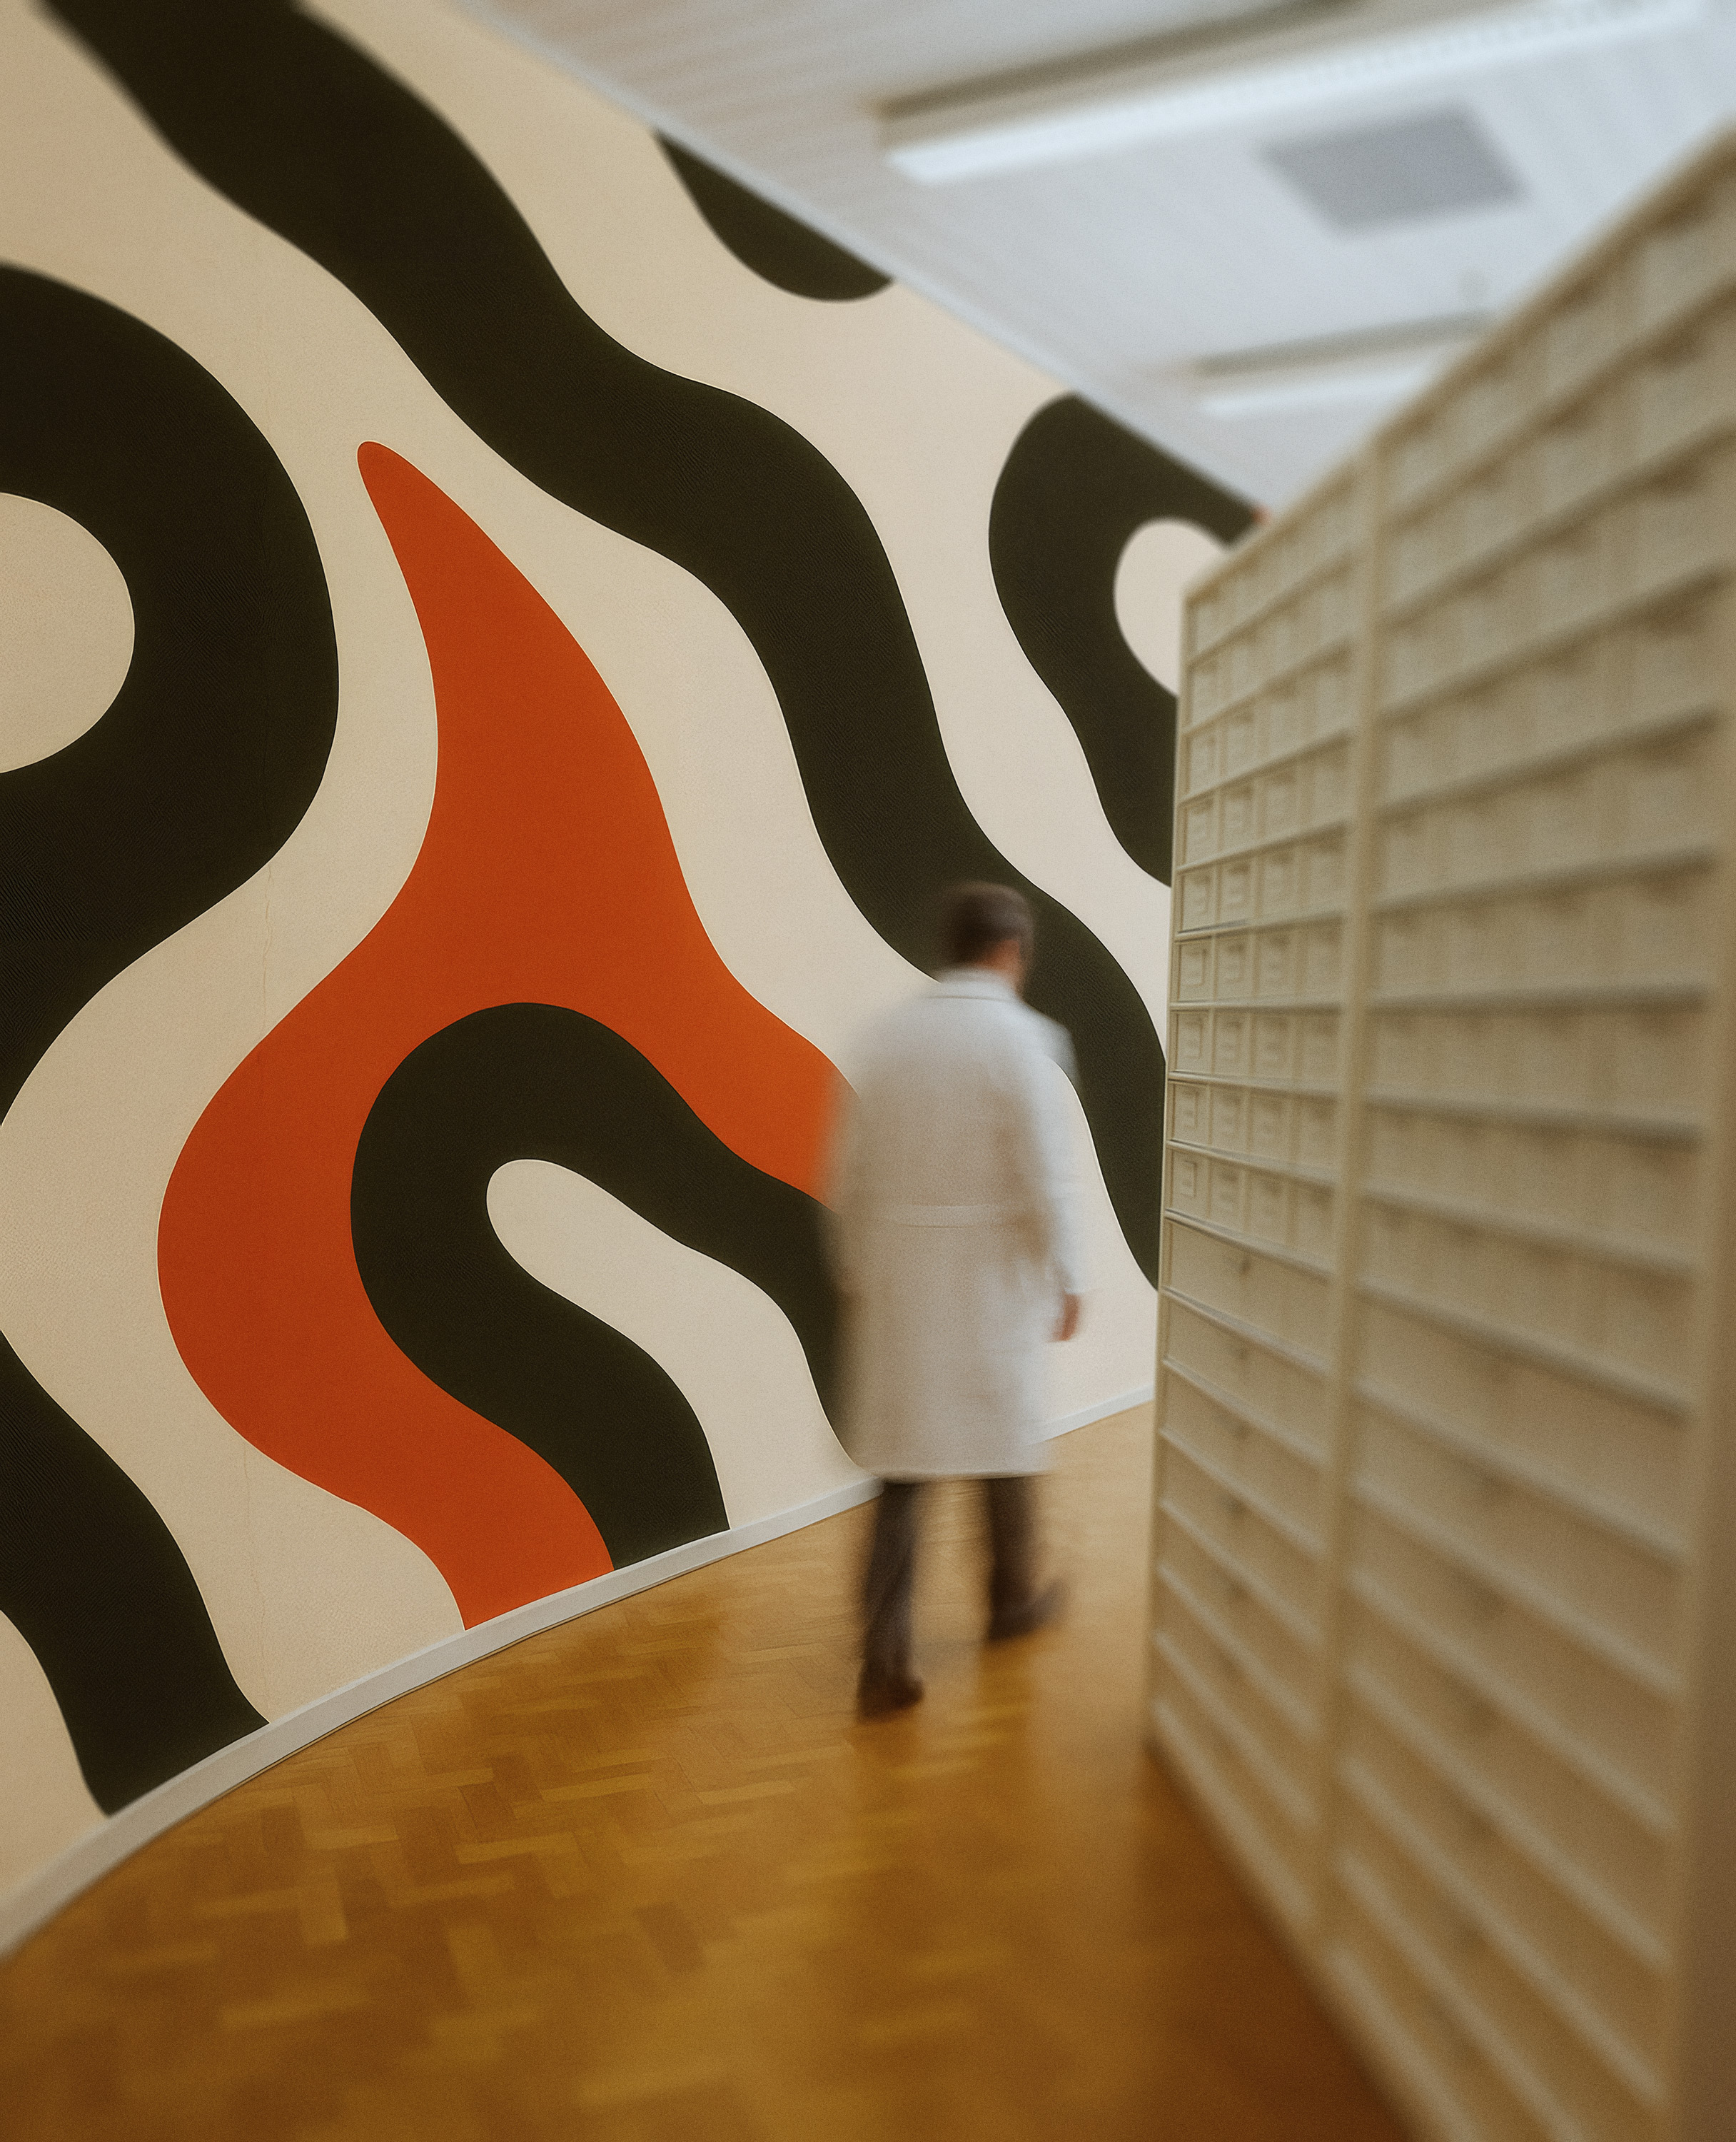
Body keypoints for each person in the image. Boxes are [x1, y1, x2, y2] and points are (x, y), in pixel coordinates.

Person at [829, 883, 1085, 1719]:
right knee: (1002, 1442)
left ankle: (883, 1654)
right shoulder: (1026, 1040)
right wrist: (1068, 1275)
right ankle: (1010, 1600)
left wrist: (855, 1267)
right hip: (989, 1281)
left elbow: (849, 1174)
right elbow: (1046, 1175)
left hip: (905, 1284)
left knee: (905, 1466)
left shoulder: (884, 1038)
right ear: (1010, 951)